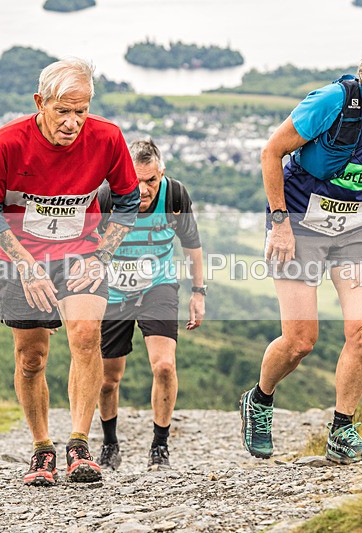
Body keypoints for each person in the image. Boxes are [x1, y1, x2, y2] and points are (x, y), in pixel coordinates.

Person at [240, 30, 362, 464]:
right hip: (298, 220)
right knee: (300, 341)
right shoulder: (334, 101)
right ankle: (259, 399)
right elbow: (271, 152)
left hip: (354, 228)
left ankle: (342, 430)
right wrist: (279, 225)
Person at [0, 58, 140, 486]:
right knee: (32, 357)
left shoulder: (108, 138)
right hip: (22, 257)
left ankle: (80, 444)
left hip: (82, 253)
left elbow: (127, 199)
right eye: (62, 111)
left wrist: (101, 255)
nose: (72, 123)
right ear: (40, 102)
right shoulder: (8, 142)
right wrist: (25, 265)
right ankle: (41, 449)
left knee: (86, 335)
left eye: (81, 111)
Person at [95, 139, 205, 471]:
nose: (142, 190)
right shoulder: (107, 196)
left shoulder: (174, 196)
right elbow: (88, 247)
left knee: (165, 367)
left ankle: (160, 445)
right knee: (108, 378)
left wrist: (198, 292)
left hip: (158, 286)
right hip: (113, 291)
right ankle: (110, 443)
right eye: (135, 181)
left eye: (150, 181)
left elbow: (192, 245)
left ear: (162, 173)